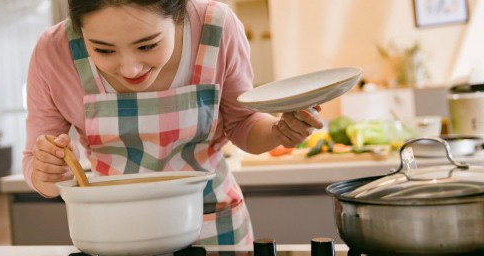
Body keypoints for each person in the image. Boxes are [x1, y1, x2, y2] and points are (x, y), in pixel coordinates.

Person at [23, 0, 323, 246]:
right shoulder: (54, 52)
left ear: (179, 13)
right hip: (114, 234)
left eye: (147, 45)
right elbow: (36, 164)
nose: (130, 68)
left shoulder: (216, 28)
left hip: (211, 226)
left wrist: (278, 132)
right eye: (103, 50)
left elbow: (243, 125)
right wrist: (47, 173)